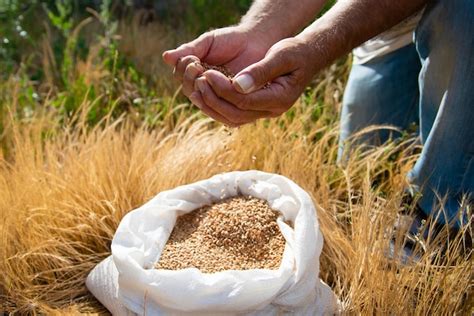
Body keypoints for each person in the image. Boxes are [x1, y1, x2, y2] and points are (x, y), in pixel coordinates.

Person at [162, 0, 473, 259]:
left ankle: (443, 219)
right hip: (390, 16)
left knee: (462, 23)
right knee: (357, 173)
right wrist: (257, 31)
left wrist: (313, 47)